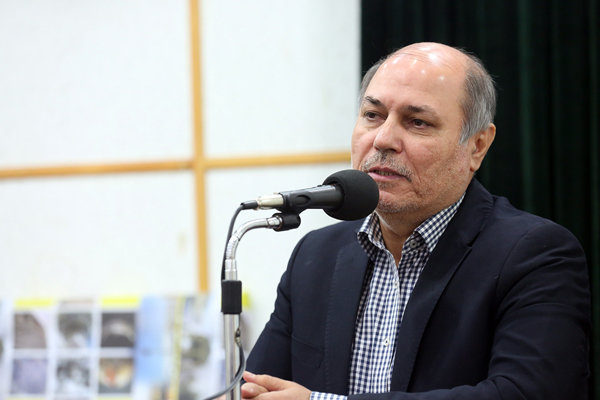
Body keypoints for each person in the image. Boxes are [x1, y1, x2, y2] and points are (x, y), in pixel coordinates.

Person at [241, 42, 591, 400]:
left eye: (417, 122)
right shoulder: (317, 255)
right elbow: (257, 388)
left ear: (477, 146)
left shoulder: (536, 255)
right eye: (372, 115)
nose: (383, 139)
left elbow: (528, 393)